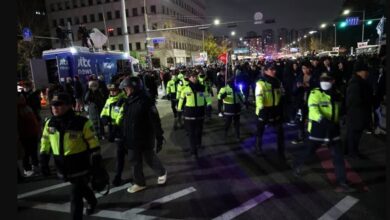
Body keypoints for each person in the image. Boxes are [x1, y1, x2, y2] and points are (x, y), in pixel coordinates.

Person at [39, 93, 100, 220]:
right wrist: (43, 161)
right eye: (53, 105)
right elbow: (45, 142)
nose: (54, 108)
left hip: (79, 165)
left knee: (75, 197)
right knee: (81, 188)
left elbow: (93, 143)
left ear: (68, 106)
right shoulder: (50, 123)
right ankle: (92, 201)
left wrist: (96, 161)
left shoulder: (82, 122)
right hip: (62, 166)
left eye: (58, 105)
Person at [292, 72, 354, 192]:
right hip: (318, 129)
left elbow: (340, 109)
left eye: (328, 79)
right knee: (309, 152)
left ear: (333, 81)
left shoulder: (337, 93)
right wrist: (323, 120)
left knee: (338, 157)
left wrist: (342, 117)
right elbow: (313, 109)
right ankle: (297, 164)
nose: (325, 82)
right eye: (323, 79)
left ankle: (342, 181)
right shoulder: (315, 93)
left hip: (333, 130)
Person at [119, 76, 167, 193]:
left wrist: (159, 135)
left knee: (149, 157)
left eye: (127, 88)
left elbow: (155, 119)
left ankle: (161, 172)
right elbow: (124, 120)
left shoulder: (145, 100)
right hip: (131, 137)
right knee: (134, 160)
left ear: (134, 88)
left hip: (144, 136)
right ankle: (139, 183)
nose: (125, 90)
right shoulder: (127, 102)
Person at [254, 62, 286, 162]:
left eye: (275, 69)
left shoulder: (277, 81)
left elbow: (281, 93)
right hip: (264, 110)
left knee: (280, 131)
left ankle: (281, 152)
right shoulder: (260, 83)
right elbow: (258, 97)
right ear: (266, 71)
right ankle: (258, 147)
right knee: (260, 130)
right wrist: (261, 107)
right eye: (272, 69)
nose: (274, 71)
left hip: (275, 110)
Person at [178, 71, 210, 158]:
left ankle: (198, 144)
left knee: (199, 131)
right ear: (189, 78)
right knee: (191, 133)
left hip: (200, 112)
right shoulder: (185, 89)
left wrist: (209, 104)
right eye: (192, 77)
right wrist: (179, 109)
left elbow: (207, 97)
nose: (194, 78)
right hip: (189, 113)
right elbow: (181, 100)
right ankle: (193, 151)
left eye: (195, 76)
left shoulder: (202, 88)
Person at [100, 83, 127, 186]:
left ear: (119, 91)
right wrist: (104, 118)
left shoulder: (122, 101)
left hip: (121, 131)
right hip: (114, 131)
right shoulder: (109, 100)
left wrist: (113, 130)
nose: (112, 92)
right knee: (121, 155)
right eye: (111, 91)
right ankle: (118, 177)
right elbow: (103, 112)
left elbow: (120, 117)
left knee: (127, 155)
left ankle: (119, 177)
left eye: (114, 91)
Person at [345, 60, 372, 159]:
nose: (367, 73)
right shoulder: (356, 83)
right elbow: (353, 101)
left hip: (357, 113)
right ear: (359, 71)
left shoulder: (358, 81)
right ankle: (353, 153)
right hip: (357, 113)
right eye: (365, 71)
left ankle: (348, 150)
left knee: (352, 133)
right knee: (354, 134)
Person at [291, 61, 317, 144]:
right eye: (303, 68)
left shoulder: (315, 77)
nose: (304, 70)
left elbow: (318, 87)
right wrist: (298, 86)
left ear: (310, 68)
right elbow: (294, 90)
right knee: (300, 119)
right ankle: (300, 136)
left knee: (313, 119)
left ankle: (315, 136)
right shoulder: (299, 76)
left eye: (306, 68)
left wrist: (309, 86)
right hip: (301, 102)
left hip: (313, 101)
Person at [17, 94, 41, 177]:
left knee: (33, 151)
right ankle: (27, 169)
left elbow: (34, 120)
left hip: (32, 133)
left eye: (23, 97)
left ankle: (36, 166)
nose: (23, 99)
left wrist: (38, 130)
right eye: (20, 98)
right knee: (26, 153)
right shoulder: (18, 109)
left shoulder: (26, 107)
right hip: (24, 135)